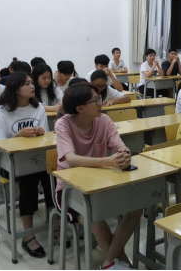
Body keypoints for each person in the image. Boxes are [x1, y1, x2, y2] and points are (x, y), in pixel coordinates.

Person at [56, 83, 142, 270]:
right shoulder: (63, 124)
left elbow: (120, 145)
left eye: (99, 98)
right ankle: (122, 265)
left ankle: (108, 263)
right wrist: (108, 161)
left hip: (100, 185)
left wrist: (125, 154)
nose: (100, 103)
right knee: (98, 224)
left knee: (136, 207)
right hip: (70, 191)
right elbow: (71, 160)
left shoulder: (104, 120)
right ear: (80, 108)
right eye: (95, 100)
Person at [0, 72, 54, 259]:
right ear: (16, 89)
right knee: (28, 181)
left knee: (54, 177)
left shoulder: (38, 107)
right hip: (10, 164)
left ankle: (56, 224)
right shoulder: (1, 112)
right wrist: (18, 136)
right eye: (27, 84)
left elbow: (46, 139)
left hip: (37, 158)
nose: (32, 86)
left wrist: (40, 132)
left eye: (32, 83)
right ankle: (28, 235)